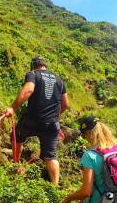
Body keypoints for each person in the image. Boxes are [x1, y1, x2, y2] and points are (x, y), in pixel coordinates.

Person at [4, 56, 69, 185]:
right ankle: (55, 187)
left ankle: (16, 166)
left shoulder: (33, 74)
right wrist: (55, 117)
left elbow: (28, 89)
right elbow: (65, 104)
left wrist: (12, 108)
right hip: (52, 124)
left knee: (17, 135)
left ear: (33, 66)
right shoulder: (59, 79)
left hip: (33, 120)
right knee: (50, 156)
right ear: (45, 66)